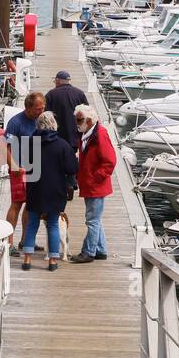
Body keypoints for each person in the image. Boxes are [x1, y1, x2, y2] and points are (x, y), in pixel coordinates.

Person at [21, 112, 78, 272]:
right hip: (56, 189)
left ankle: (27, 259)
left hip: (35, 188)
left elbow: (24, 163)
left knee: (32, 224)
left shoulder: (30, 143)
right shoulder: (62, 145)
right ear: (54, 125)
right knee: (53, 225)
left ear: (38, 125)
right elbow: (73, 168)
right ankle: (53, 261)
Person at [70, 104, 116, 263]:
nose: (77, 123)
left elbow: (110, 161)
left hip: (96, 185)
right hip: (89, 183)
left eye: (79, 120)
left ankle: (88, 252)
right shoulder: (86, 134)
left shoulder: (100, 135)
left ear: (89, 121)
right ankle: (101, 250)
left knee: (92, 220)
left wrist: (95, 177)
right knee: (95, 219)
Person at [4, 91, 46, 253]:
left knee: (32, 206)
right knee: (17, 204)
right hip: (19, 170)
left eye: (43, 108)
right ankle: (9, 243)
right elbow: (5, 147)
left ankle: (26, 241)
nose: (41, 112)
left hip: (35, 169)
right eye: (38, 109)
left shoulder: (40, 121)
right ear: (28, 107)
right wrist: (13, 166)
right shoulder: (16, 123)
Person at [45, 70, 89, 151]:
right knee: (71, 157)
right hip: (75, 136)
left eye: (55, 81)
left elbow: (45, 116)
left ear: (58, 81)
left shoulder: (51, 94)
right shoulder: (80, 93)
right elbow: (88, 113)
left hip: (57, 136)